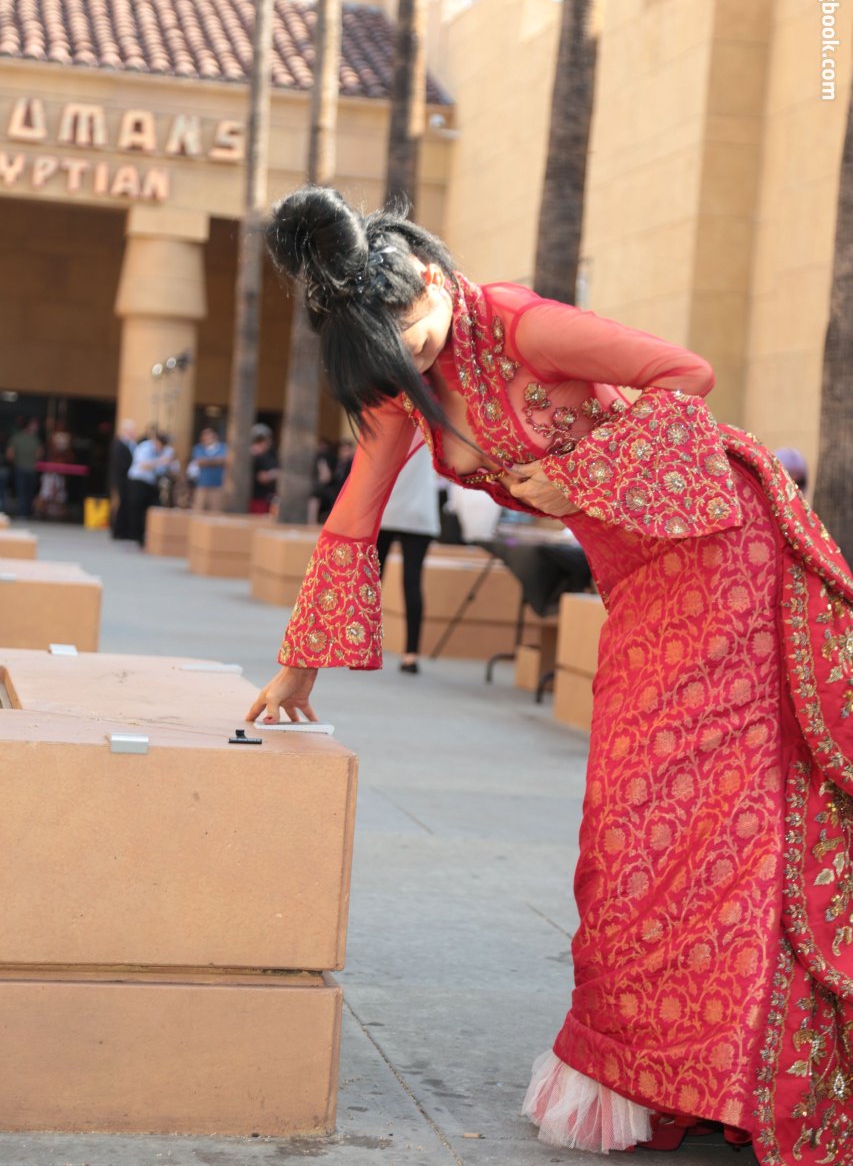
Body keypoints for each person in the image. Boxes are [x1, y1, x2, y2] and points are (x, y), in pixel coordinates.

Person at [247, 187, 853, 1165]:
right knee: (637, 828)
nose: (405, 362)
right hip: (641, 585)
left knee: (712, 821)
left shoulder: (522, 324)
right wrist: (295, 669)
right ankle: (677, 1071)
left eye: (408, 335)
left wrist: (581, 478)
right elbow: (355, 513)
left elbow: (685, 374)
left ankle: (738, 1074)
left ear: (430, 280)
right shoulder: (398, 375)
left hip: (719, 550)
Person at [376, 441, 441, 673]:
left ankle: (360, 647)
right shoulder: (435, 425)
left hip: (386, 507)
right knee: (412, 582)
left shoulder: (391, 423)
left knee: (372, 581)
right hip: (421, 511)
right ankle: (410, 655)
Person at [125, 431, 175, 545]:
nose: (160, 448)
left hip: (152, 483)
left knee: (154, 508)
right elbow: (143, 465)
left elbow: (168, 469)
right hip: (138, 481)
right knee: (137, 508)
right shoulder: (145, 447)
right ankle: (136, 536)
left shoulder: (165, 451)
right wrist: (161, 461)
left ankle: (148, 535)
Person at [6, 417, 42, 520]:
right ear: (29, 425)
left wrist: (17, 461)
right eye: (35, 425)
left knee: (22, 492)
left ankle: (22, 514)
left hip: (21, 468)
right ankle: (27, 513)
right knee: (29, 492)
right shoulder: (35, 439)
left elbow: (10, 454)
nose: (37, 427)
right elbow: (39, 454)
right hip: (30, 469)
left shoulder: (17, 437)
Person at [189, 426, 228, 512]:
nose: (207, 438)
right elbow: (199, 462)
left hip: (218, 485)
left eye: (209, 435)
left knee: (215, 511)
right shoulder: (198, 448)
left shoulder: (223, 447)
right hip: (202, 484)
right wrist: (216, 461)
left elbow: (224, 460)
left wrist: (207, 461)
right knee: (198, 510)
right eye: (205, 435)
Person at [110, 418, 137, 539]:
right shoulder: (119, 445)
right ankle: (118, 530)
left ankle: (125, 530)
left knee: (126, 504)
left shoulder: (131, 445)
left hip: (128, 481)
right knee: (122, 504)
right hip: (122, 480)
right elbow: (120, 464)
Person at [249, 424, 279, 514]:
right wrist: (276, 474)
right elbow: (262, 478)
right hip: (257, 498)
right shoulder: (259, 457)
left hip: (262, 497)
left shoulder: (266, 455)